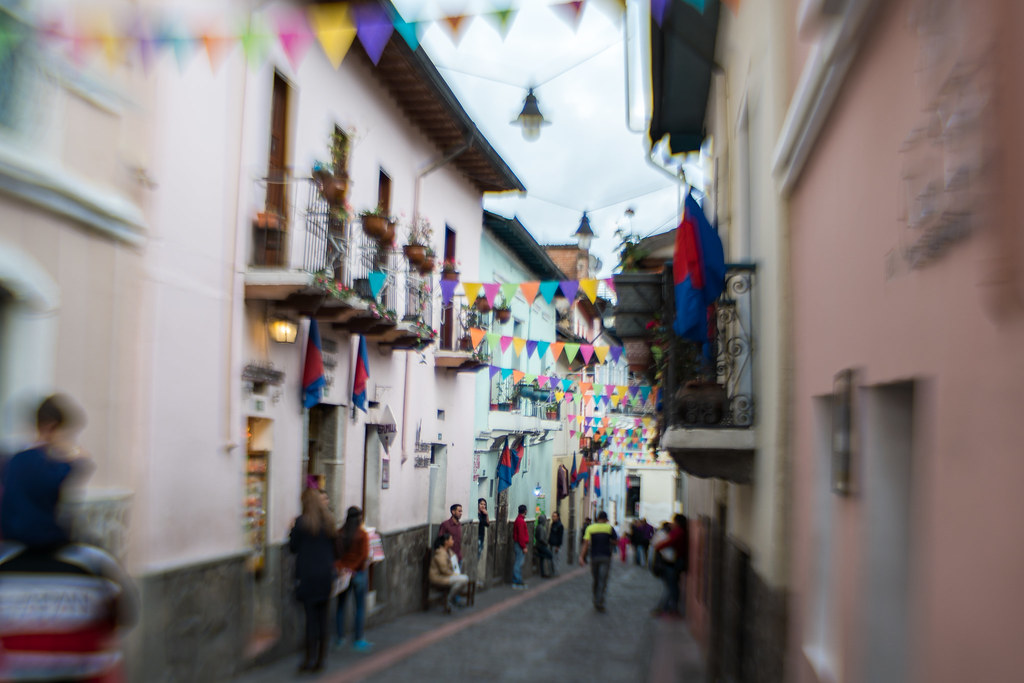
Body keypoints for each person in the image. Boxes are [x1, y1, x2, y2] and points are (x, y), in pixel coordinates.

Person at [1, 395, 92, 548]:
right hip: (38, 539)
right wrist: (73, 461)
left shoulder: (18, 459)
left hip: (13, 536)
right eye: (66, 435)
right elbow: (50, 485)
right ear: (51, 427)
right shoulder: (41, 462)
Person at [289, 486, 338, 673]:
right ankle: (320, 659)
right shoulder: (329, 521)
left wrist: (291, 530)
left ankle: (309, 659)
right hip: (325, 575)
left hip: (308, 576)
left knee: (310, 619)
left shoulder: (301, 523)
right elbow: (335, 548)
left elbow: (293, 547)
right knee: (323, 619)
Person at [334, 506, 372, 652]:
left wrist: (343, 568)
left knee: (341, 606)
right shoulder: (362, 535)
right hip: (358, 574)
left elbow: (336, 555)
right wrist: (353, 568)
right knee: (359, 607)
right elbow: (364, 555)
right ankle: (358, 639)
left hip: (343, 574)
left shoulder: (339, 533)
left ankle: (340, 638)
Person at [578, 511, 616, 611]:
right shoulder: (609, 528)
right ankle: (600, 601)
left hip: (594, 557)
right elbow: (616, 541)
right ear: (606, 519)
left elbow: (585, 544)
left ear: (597, 518)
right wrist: (609, 541)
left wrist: (581, 557)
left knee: (596, 579)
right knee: (602, 580)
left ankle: (596, 598)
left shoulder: (590, 528)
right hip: (606, 557)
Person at [654, 514, 689, 618]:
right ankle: (668, 608)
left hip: (674, 562)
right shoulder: (677, 531)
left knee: (671, 586)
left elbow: (669, 542)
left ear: (678, 522)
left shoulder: (678, 532)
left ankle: (668, 608)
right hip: (674, 561)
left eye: (674, 521)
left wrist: (658, 546)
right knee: (671, 586)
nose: (672, 524)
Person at [428, 532, 469, 612]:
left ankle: (449, 599)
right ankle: (448, 599)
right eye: (451, 539)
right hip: (438, 577)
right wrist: (454, 574)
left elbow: (453, 561)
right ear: (446, 542)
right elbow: (444, 570)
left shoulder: (448, 551)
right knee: (464, 579)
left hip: (446, 576)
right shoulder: (440, 553)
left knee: (464, 579)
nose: (453, 541)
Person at [512, 504, 529, 589]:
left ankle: (518, 580)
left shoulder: (519, 520)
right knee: (518, 563)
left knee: (519, 562)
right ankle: (517, 581)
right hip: (520, 544)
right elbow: (521, 535)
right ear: (525, 511)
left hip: (519, 543)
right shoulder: (520, 521)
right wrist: (524, 546)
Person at [534, 513, 553, 578]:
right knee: (550, 555)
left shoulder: (538, 527)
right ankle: (538, 555)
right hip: (542, 545)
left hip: (538, 544)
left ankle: (543, 573)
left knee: (542, 560)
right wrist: (546, 543)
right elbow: (541, 538)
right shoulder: (541, 528)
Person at [548, 511, 564, 575]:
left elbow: (560, 536)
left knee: (556, 559)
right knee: (551, 559)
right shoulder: (553, 524)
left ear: (558, 517)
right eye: (552, 516)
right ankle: (552, 571)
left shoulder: (560, 525)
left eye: (554, 516)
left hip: (556, 545)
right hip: (551, 544)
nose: (553, 517)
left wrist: (558, 546)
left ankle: (556, 572)